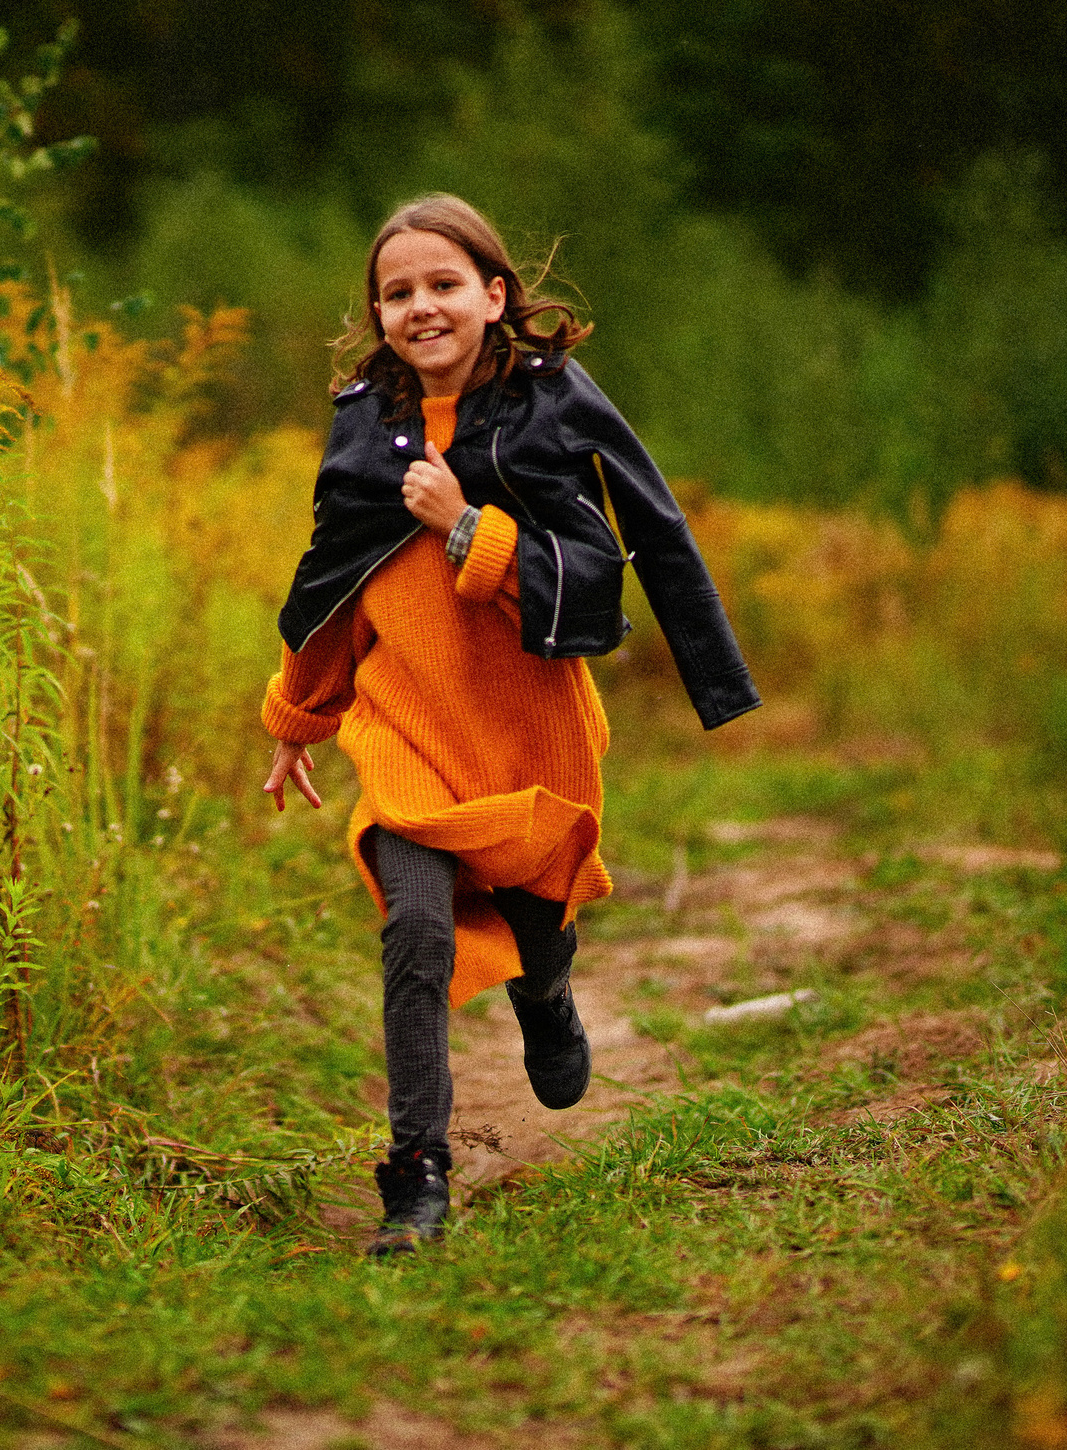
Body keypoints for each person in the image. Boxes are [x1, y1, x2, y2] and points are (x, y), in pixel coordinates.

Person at [260, 194, 760, 1258]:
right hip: (406, 731)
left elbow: (604, 572)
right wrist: (298, 715)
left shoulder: (549, 405)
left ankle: (546, 981)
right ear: (377, 314)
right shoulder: (363, 421)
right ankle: (416, 1178)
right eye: (397, 292)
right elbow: (334, 577)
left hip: (532, 738)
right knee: (416, 931)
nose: (421, 306)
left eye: (443, 284)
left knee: (537, 928)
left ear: (494, 296)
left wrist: (466, 530)